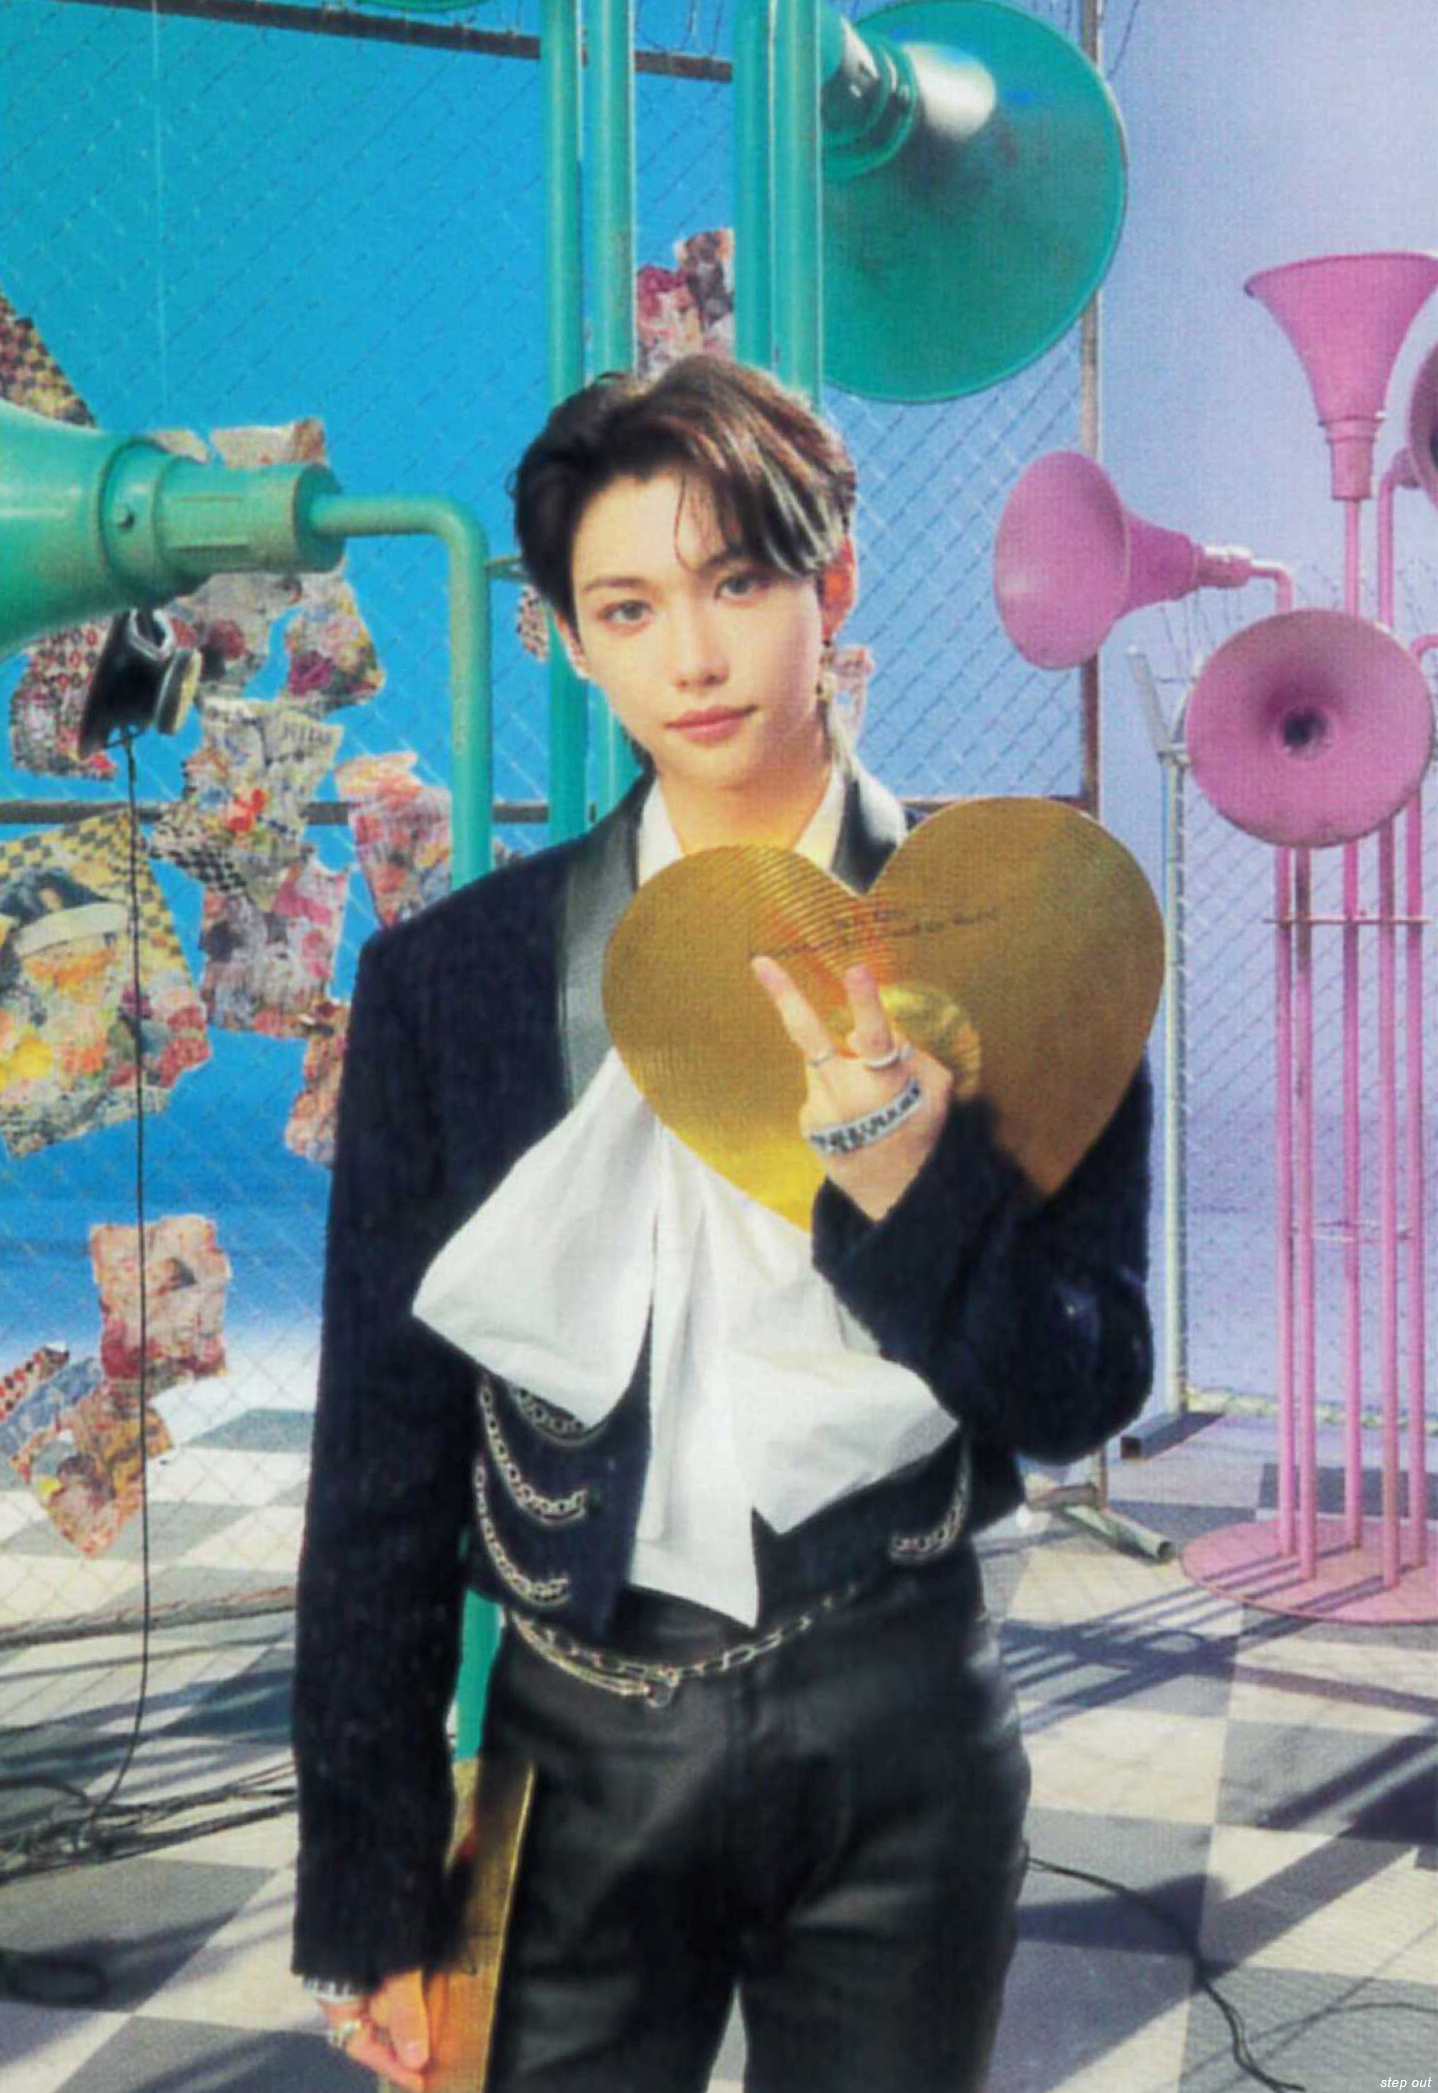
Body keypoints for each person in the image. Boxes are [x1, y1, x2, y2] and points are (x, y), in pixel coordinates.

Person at [291, 354, 1153, 2093]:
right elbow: (380, 1454)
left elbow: (1079, 1388)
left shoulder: (1028, 928)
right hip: (566, 1750)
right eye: (626, 607)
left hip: (901, 1725)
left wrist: (905, 1171)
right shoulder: (452, 985)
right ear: (568, 638)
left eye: (738, 581)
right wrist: (369, 1883)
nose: (690, 656)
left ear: (834, 583)